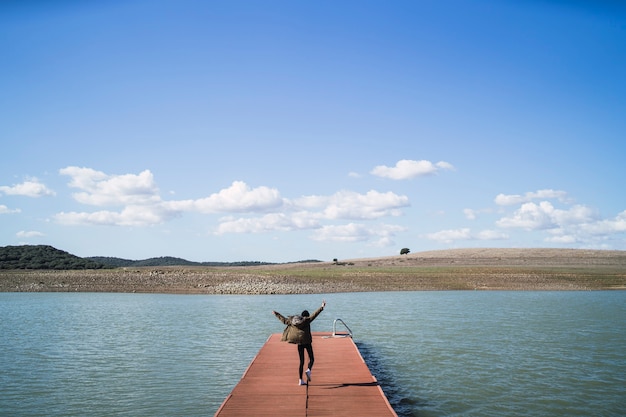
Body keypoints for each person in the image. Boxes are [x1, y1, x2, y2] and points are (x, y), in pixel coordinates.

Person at [272, 300, 326, 386]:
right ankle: (308, 370)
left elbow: (284, 320)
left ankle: (300, 380)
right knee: (311, 358)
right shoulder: (307, 320)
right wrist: (322, 307)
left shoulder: (293, 321)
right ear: (306, 316)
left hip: (299, 343)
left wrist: (276, 314)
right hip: (307, 342)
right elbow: (315, 315)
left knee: (301, 361)